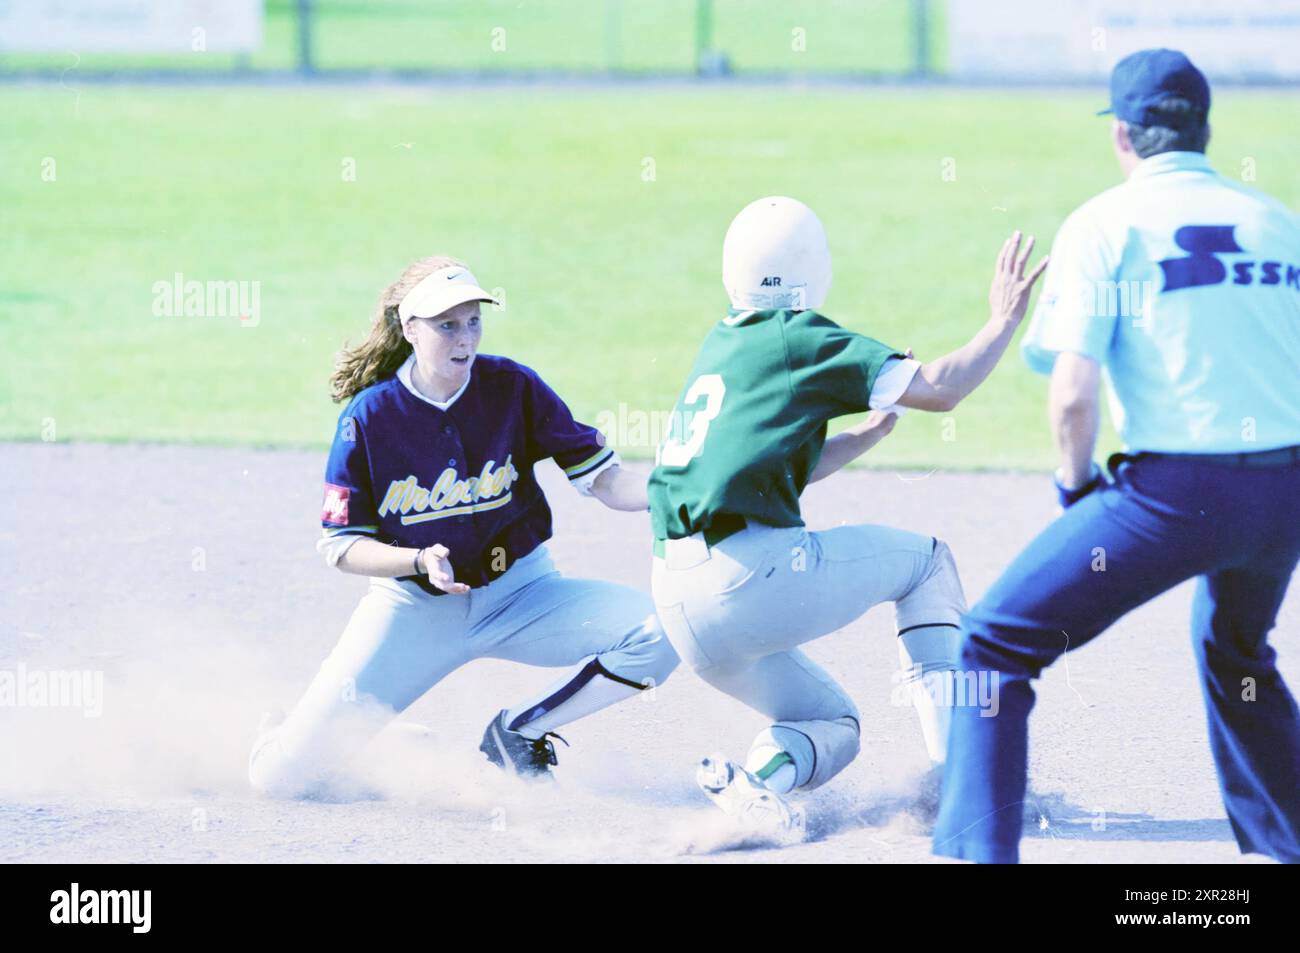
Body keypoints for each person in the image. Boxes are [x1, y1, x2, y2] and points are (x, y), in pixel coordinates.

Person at [933, 49, 1300, 863]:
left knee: (992, 646)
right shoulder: (1279, 221)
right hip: (1287, 491)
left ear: (1123, 136)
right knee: (1238, 650)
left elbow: (1071, 398)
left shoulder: (1105, 223)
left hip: (1178, 494)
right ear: (1205, 129)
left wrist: (1078, 493)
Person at [647, 196, 1047, 827]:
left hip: (680, 602)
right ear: (813, 267)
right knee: (928, 565)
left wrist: (864, 438)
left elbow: (762, 472)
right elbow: (941, 390)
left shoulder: (726, 346)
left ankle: (754, 788)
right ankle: (957, 777)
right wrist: (1002, 321)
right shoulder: (799, 336)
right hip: (749, 578)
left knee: (829, 724)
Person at [248, 256, 677, 797]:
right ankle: (313, 735)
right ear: (409, 330)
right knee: (283, 781)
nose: (464, 337)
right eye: (447, 324)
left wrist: (674, 487)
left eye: (473, 321)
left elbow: (606, 482)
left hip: (524, 596)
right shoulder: (370, 417)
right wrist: (416, 560)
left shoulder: (512, 387)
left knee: (662, 632)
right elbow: (341, 546)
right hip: (414, 611)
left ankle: (518, 730)